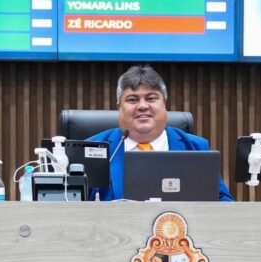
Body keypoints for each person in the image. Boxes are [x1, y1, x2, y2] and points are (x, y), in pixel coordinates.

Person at [86, 65, 234, 202]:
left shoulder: (196, 147)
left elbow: (223, 202)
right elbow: (76, 204)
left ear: (164, 103)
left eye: (151, 98)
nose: (142, 106)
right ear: (119, 107)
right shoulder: (94, 149)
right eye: (132, 99)